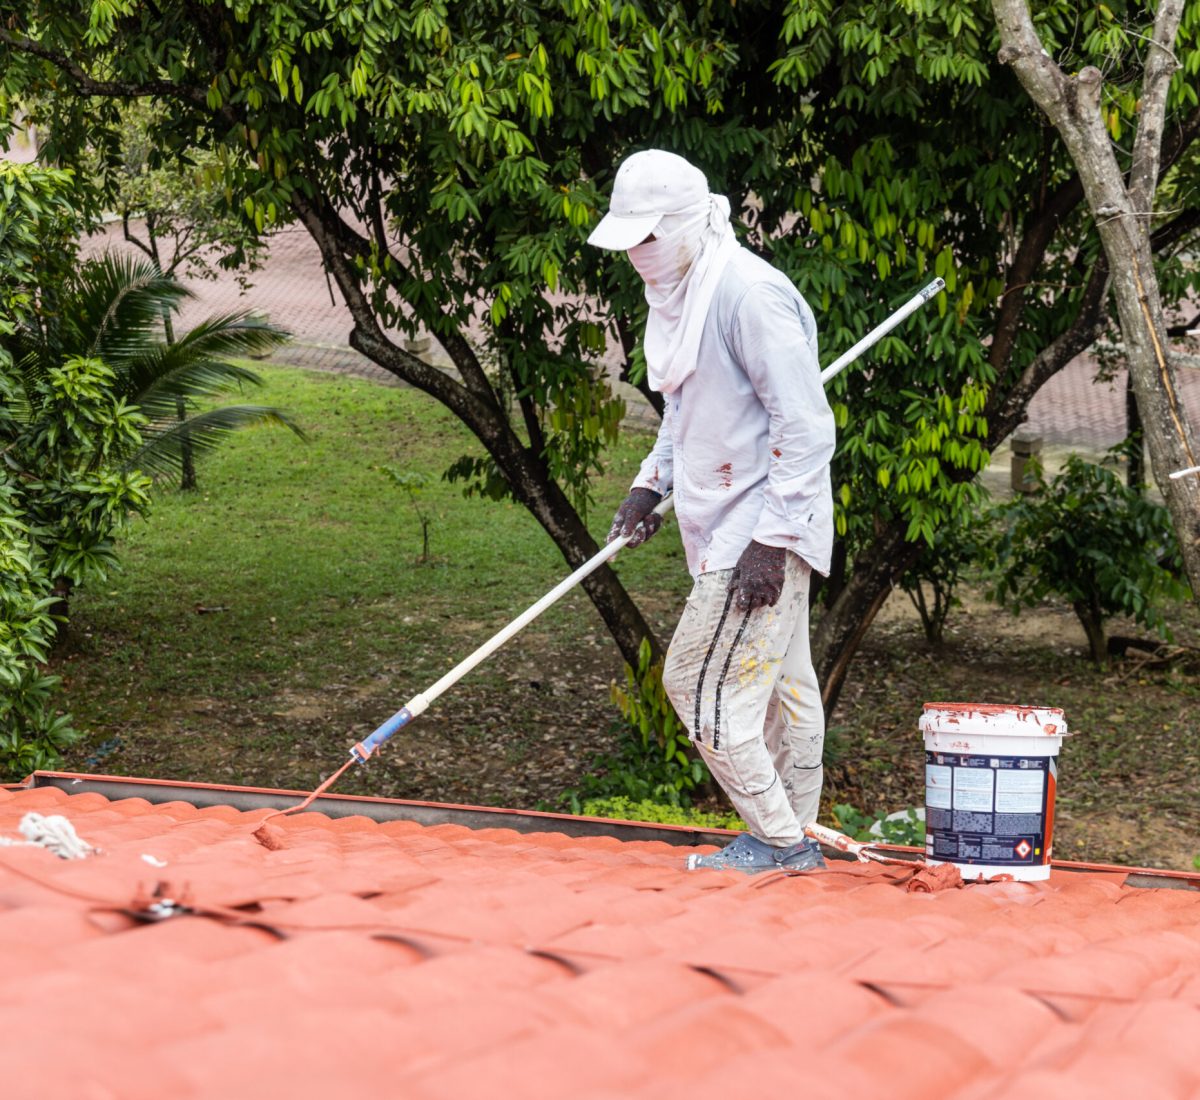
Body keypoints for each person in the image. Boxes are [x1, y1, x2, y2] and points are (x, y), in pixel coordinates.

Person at [588, 149, 836, 874]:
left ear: (688, 224)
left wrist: (774, 539)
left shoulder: (747, 296)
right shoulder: (681, 295)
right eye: (629, 238)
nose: (636, 253)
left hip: (761, 527)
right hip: (722, 517)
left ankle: (779, 841)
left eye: (647, 236)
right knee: (787, 689)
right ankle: (802, 837)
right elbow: (685, 411)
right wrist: (648, 483)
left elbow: (807, 428)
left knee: (697, 683)